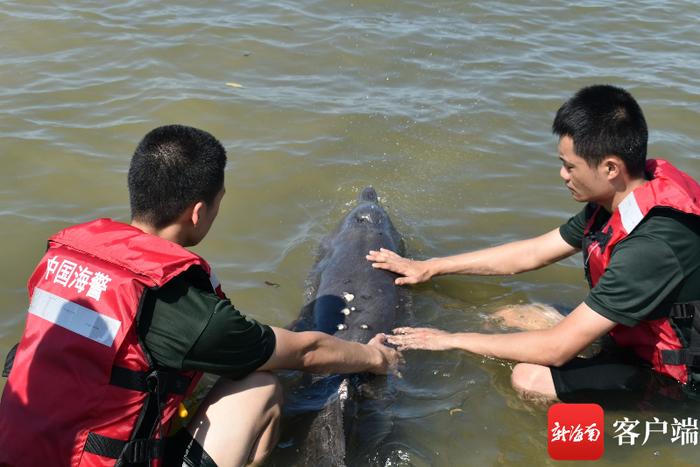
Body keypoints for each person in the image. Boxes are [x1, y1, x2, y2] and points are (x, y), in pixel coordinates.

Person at [0, 125, 402, 467]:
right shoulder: (176, 302)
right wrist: (375, 357)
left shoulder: (66, 257)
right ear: (197, 213)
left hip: (20, 448)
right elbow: (305, 352)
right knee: (261, 386)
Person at [368, 85, 700, 403]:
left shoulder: (652, 245)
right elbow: (532, 253)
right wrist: (431, 267)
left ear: (611, 167)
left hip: (677, 377)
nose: (562, 175)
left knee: (529, 379)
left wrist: (451, 340)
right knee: (515, 315)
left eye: (570, 166)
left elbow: (556, 349)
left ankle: (584, 452)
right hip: (634, 339)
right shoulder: (620, 199)